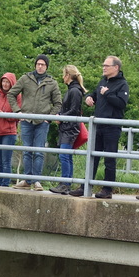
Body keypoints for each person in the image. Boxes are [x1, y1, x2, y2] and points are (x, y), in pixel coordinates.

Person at [69, 56, 130, 199]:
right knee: (92, 157)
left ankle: (107, 189)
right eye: (103, 65)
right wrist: (90, 98)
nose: (103, 67)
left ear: (116, 67)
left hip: (112, 126)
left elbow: (122, 103)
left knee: (109, 159)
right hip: (98, 126)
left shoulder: (122, 84)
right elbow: (96, 94)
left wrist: (107, 93)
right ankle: (85, 187)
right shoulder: (103, 81)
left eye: (106, 65)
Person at [8, 55, 62, 190]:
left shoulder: (52, 83)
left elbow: (58, 103)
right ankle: (27, 180)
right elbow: (11, 94)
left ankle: (37, 180)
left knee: (38, 151)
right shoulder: (25, 79)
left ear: (46, 66)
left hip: (42, 122)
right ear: (35, 65)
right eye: (38, 64)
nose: (40, 66)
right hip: (26, 120)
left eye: (43, 64)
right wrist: (17, 112)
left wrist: (48, 117)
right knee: (27, 151)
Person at [51, 65, 85, 194]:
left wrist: (61, 117)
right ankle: (66, 183)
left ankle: (65, 183)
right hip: (68, 127)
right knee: (66, 156)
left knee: (64, 155)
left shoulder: (74, 91)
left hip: (70, 128)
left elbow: (74, 111)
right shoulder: (73, 90)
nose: (62, 77)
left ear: (68, 76)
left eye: (63, 74)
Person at [0, 73, 20, 188]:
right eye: (3, 81)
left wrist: (3, 115)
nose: (5, 84)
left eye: (7, 82)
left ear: (12, 83)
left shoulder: (17, 96)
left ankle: (5, 185)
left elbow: (17, 115)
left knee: (6, 161)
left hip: (8, 133)